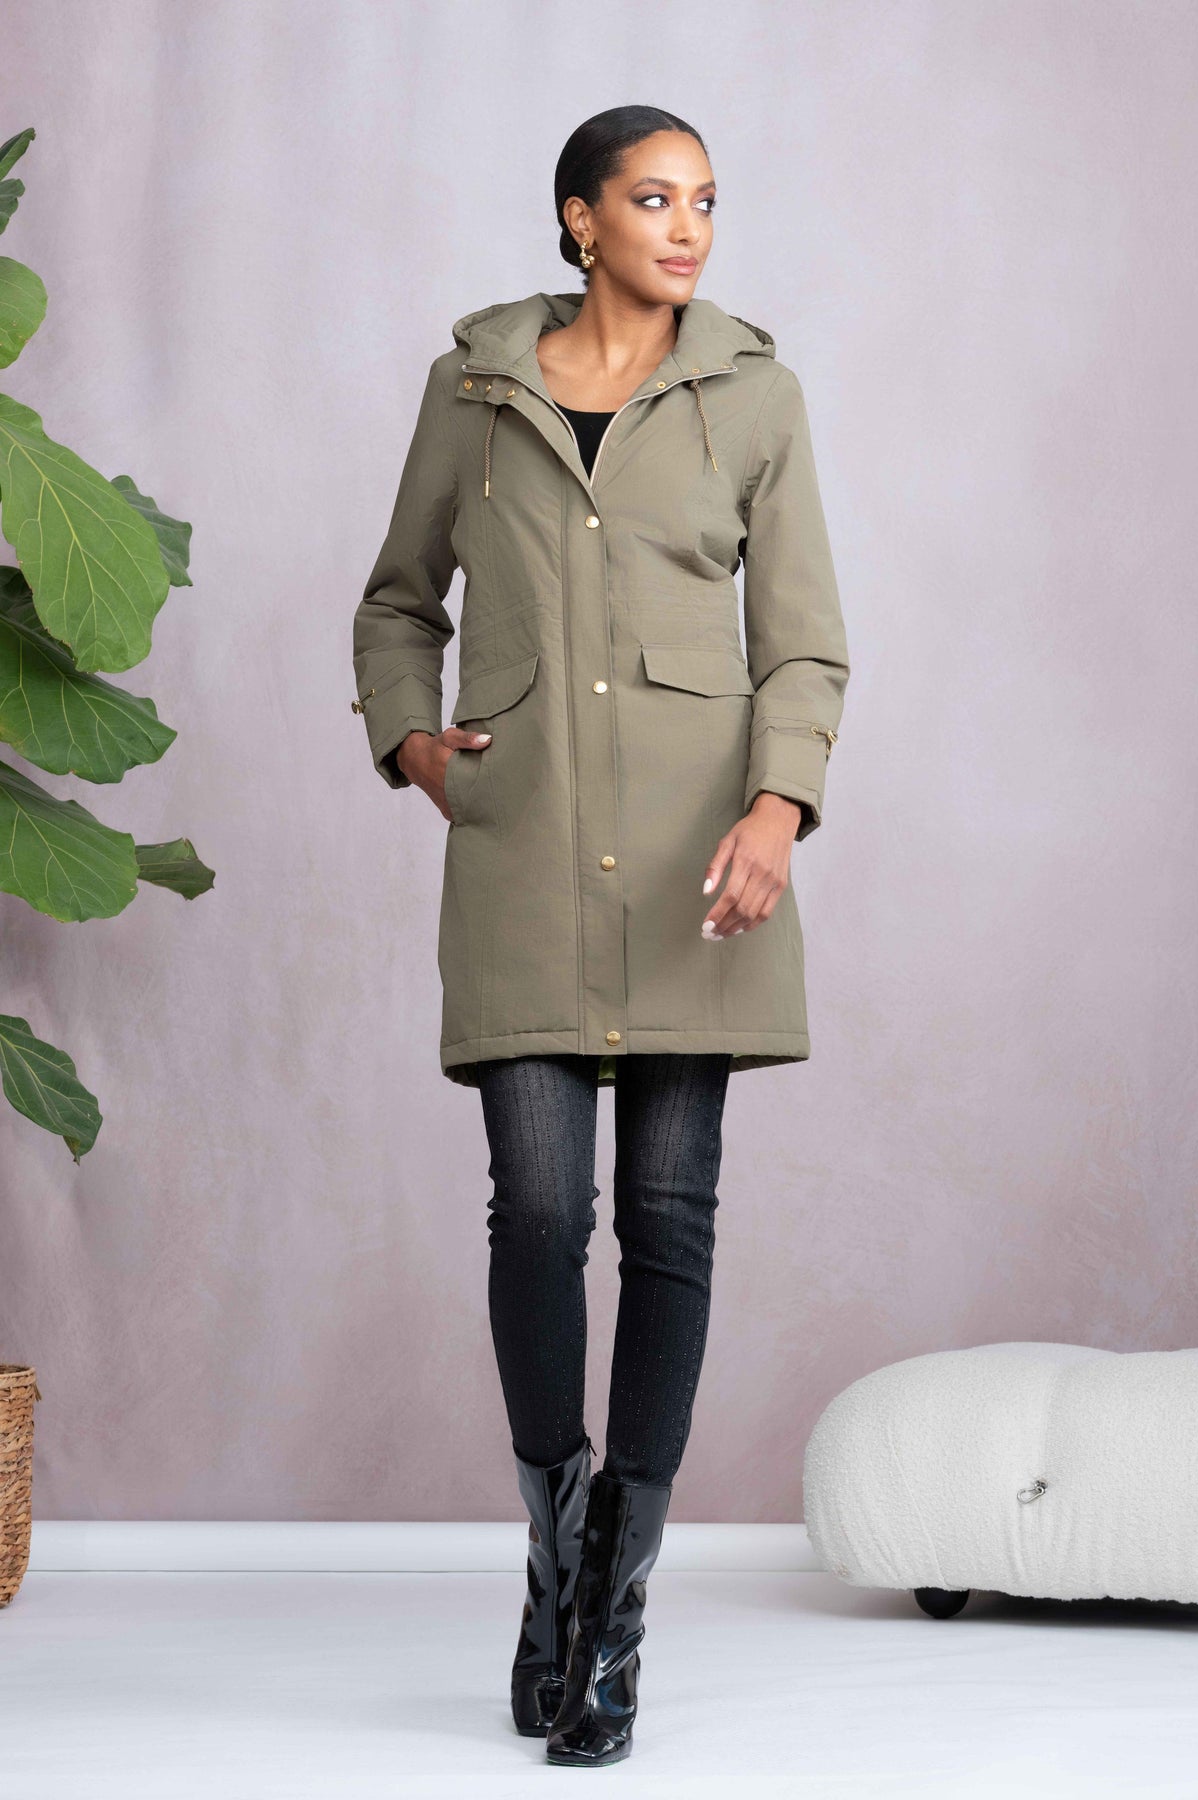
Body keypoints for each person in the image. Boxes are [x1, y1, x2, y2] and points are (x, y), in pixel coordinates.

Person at [352, 104, 848, 1768]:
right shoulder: (474, 391)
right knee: (541, 1210)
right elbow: (396, 600)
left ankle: (614, 1611)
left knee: (669, 1219)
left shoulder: (756, 397)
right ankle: (555, 1555)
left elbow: (804, 645)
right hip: (525, 857)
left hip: (699, 866)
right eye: (652, 198)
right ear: (580, 220)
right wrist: (414, 743)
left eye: (704, 200)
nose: (686, 225)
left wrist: (777, 808)